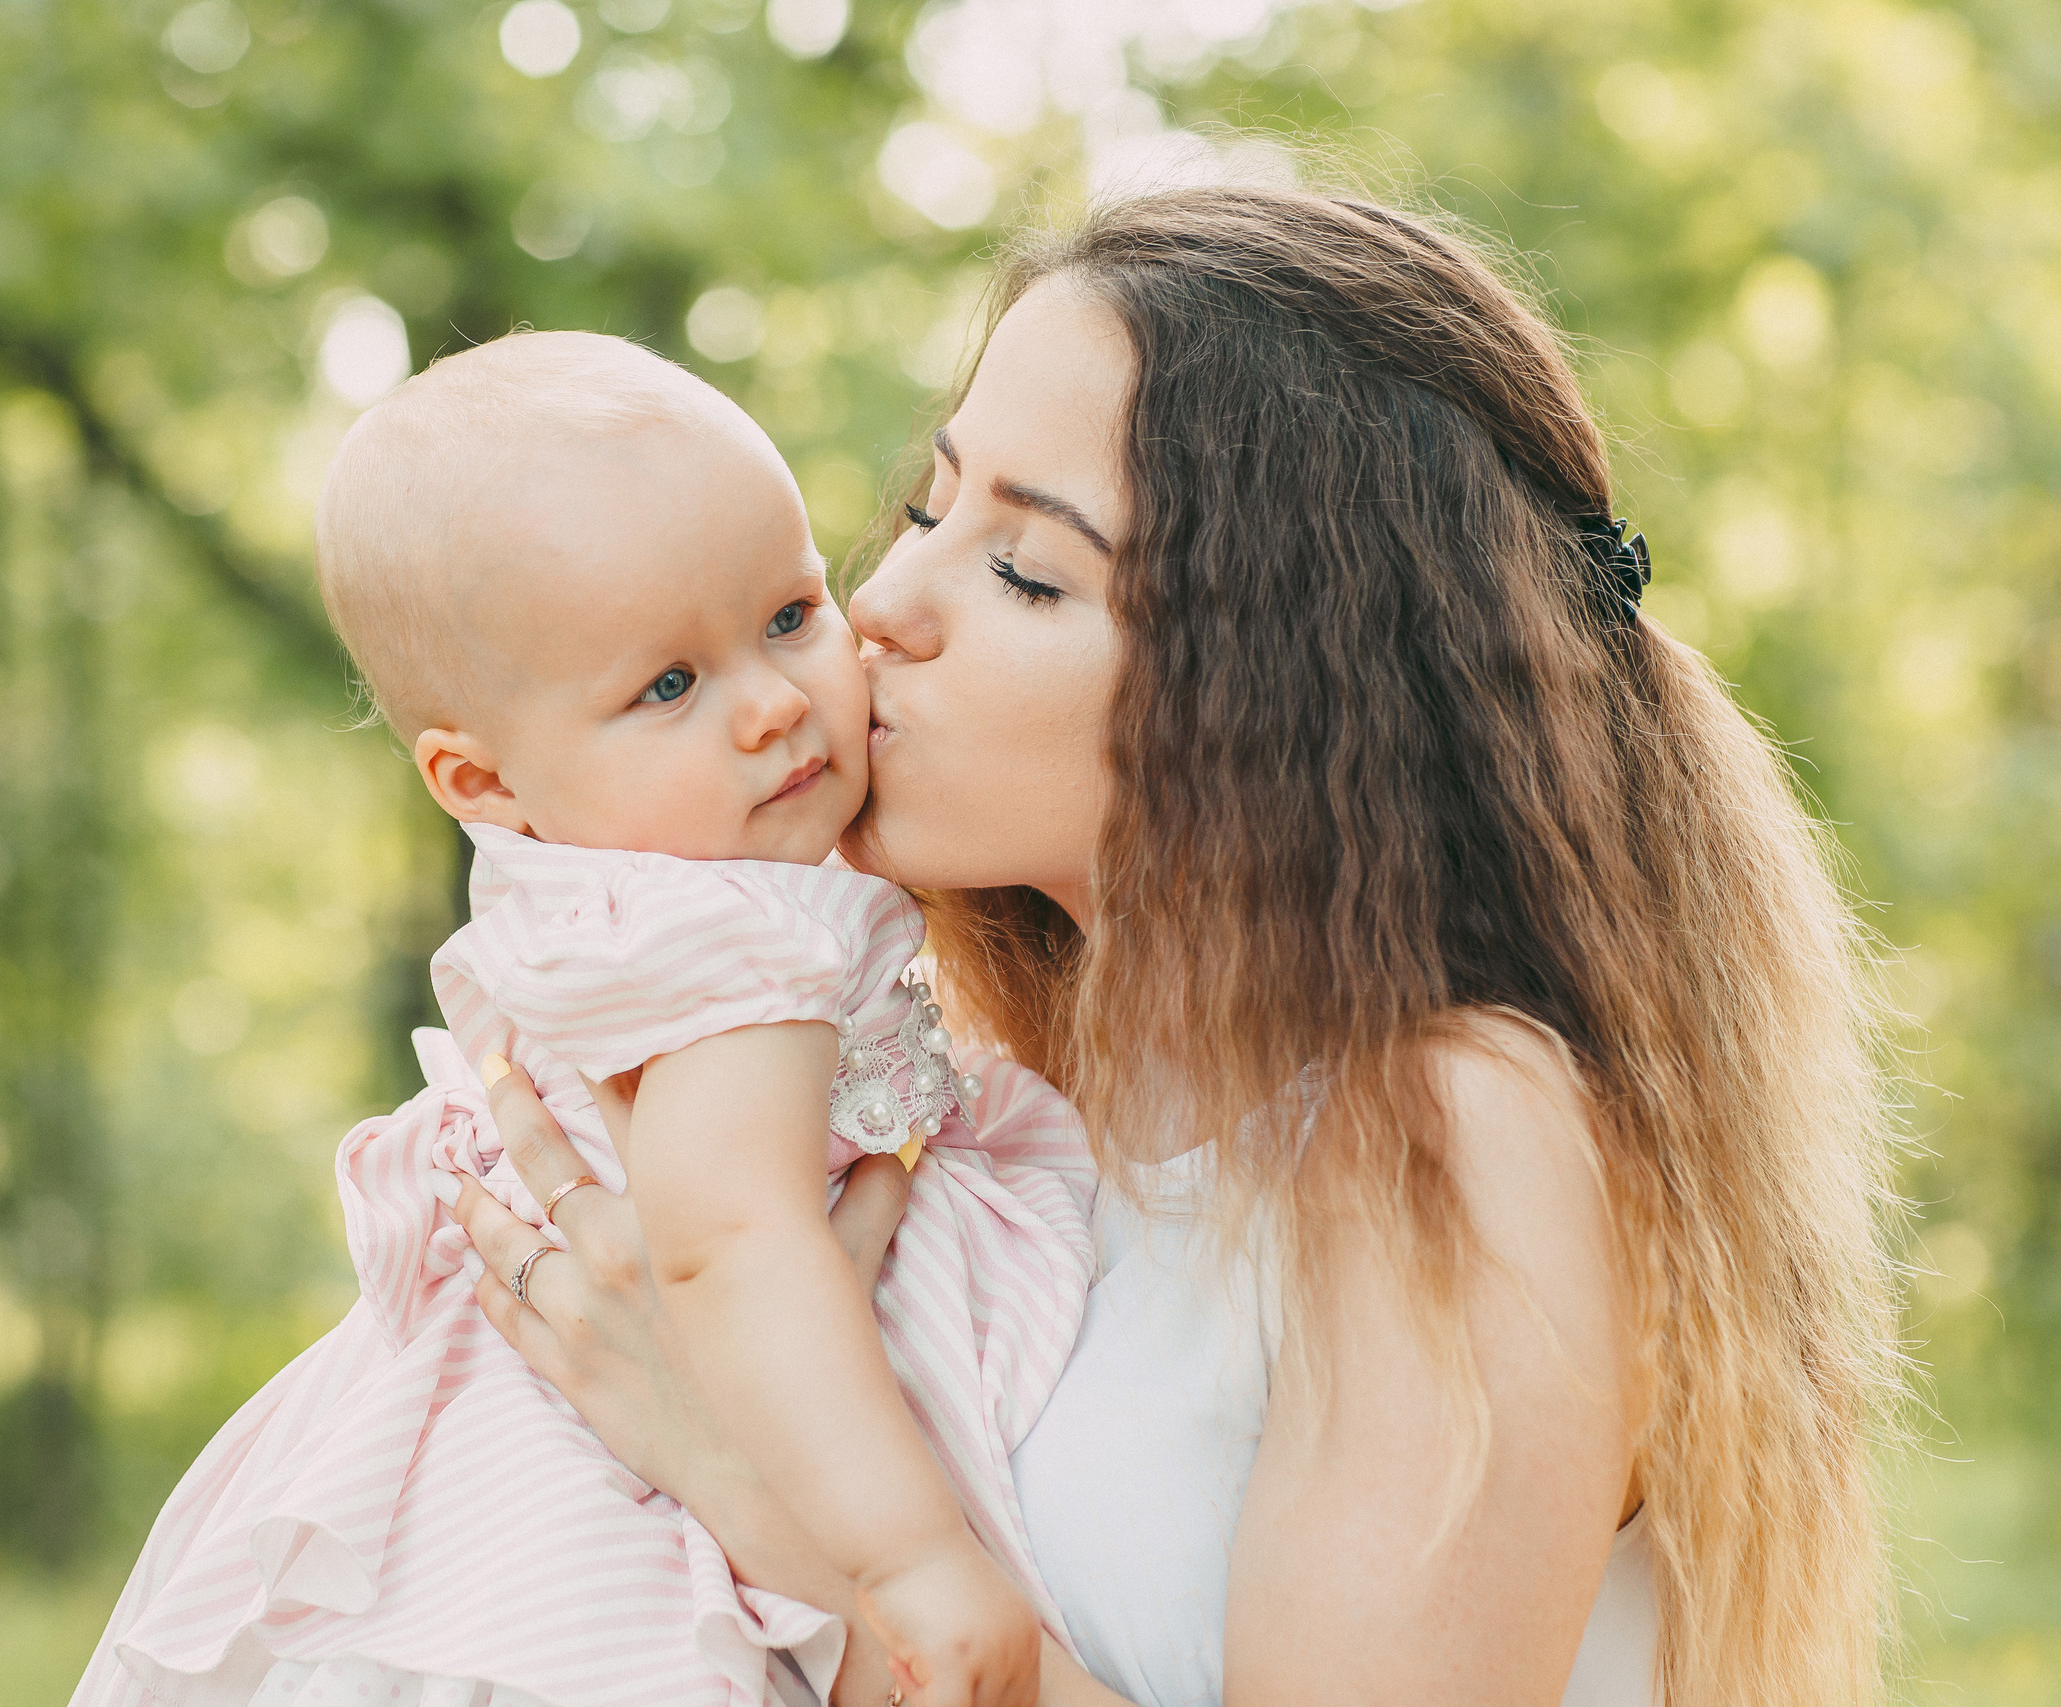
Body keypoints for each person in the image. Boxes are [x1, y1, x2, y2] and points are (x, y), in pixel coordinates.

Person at [445, 187, 1902, 1706]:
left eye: (1025, 573)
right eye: (934, 510)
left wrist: (748, 1491)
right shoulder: (991, 1111)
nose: (878, 606)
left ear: (1286, 696)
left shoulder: (1452, 1132)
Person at [71, 331, 1100, 1707]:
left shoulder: (631, 898)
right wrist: (914, 1561)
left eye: (790, 615)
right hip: (601, 1534)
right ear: (484, 782)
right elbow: (731, 1249)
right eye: (667, 687)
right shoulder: (726, 941)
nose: (775, 705)